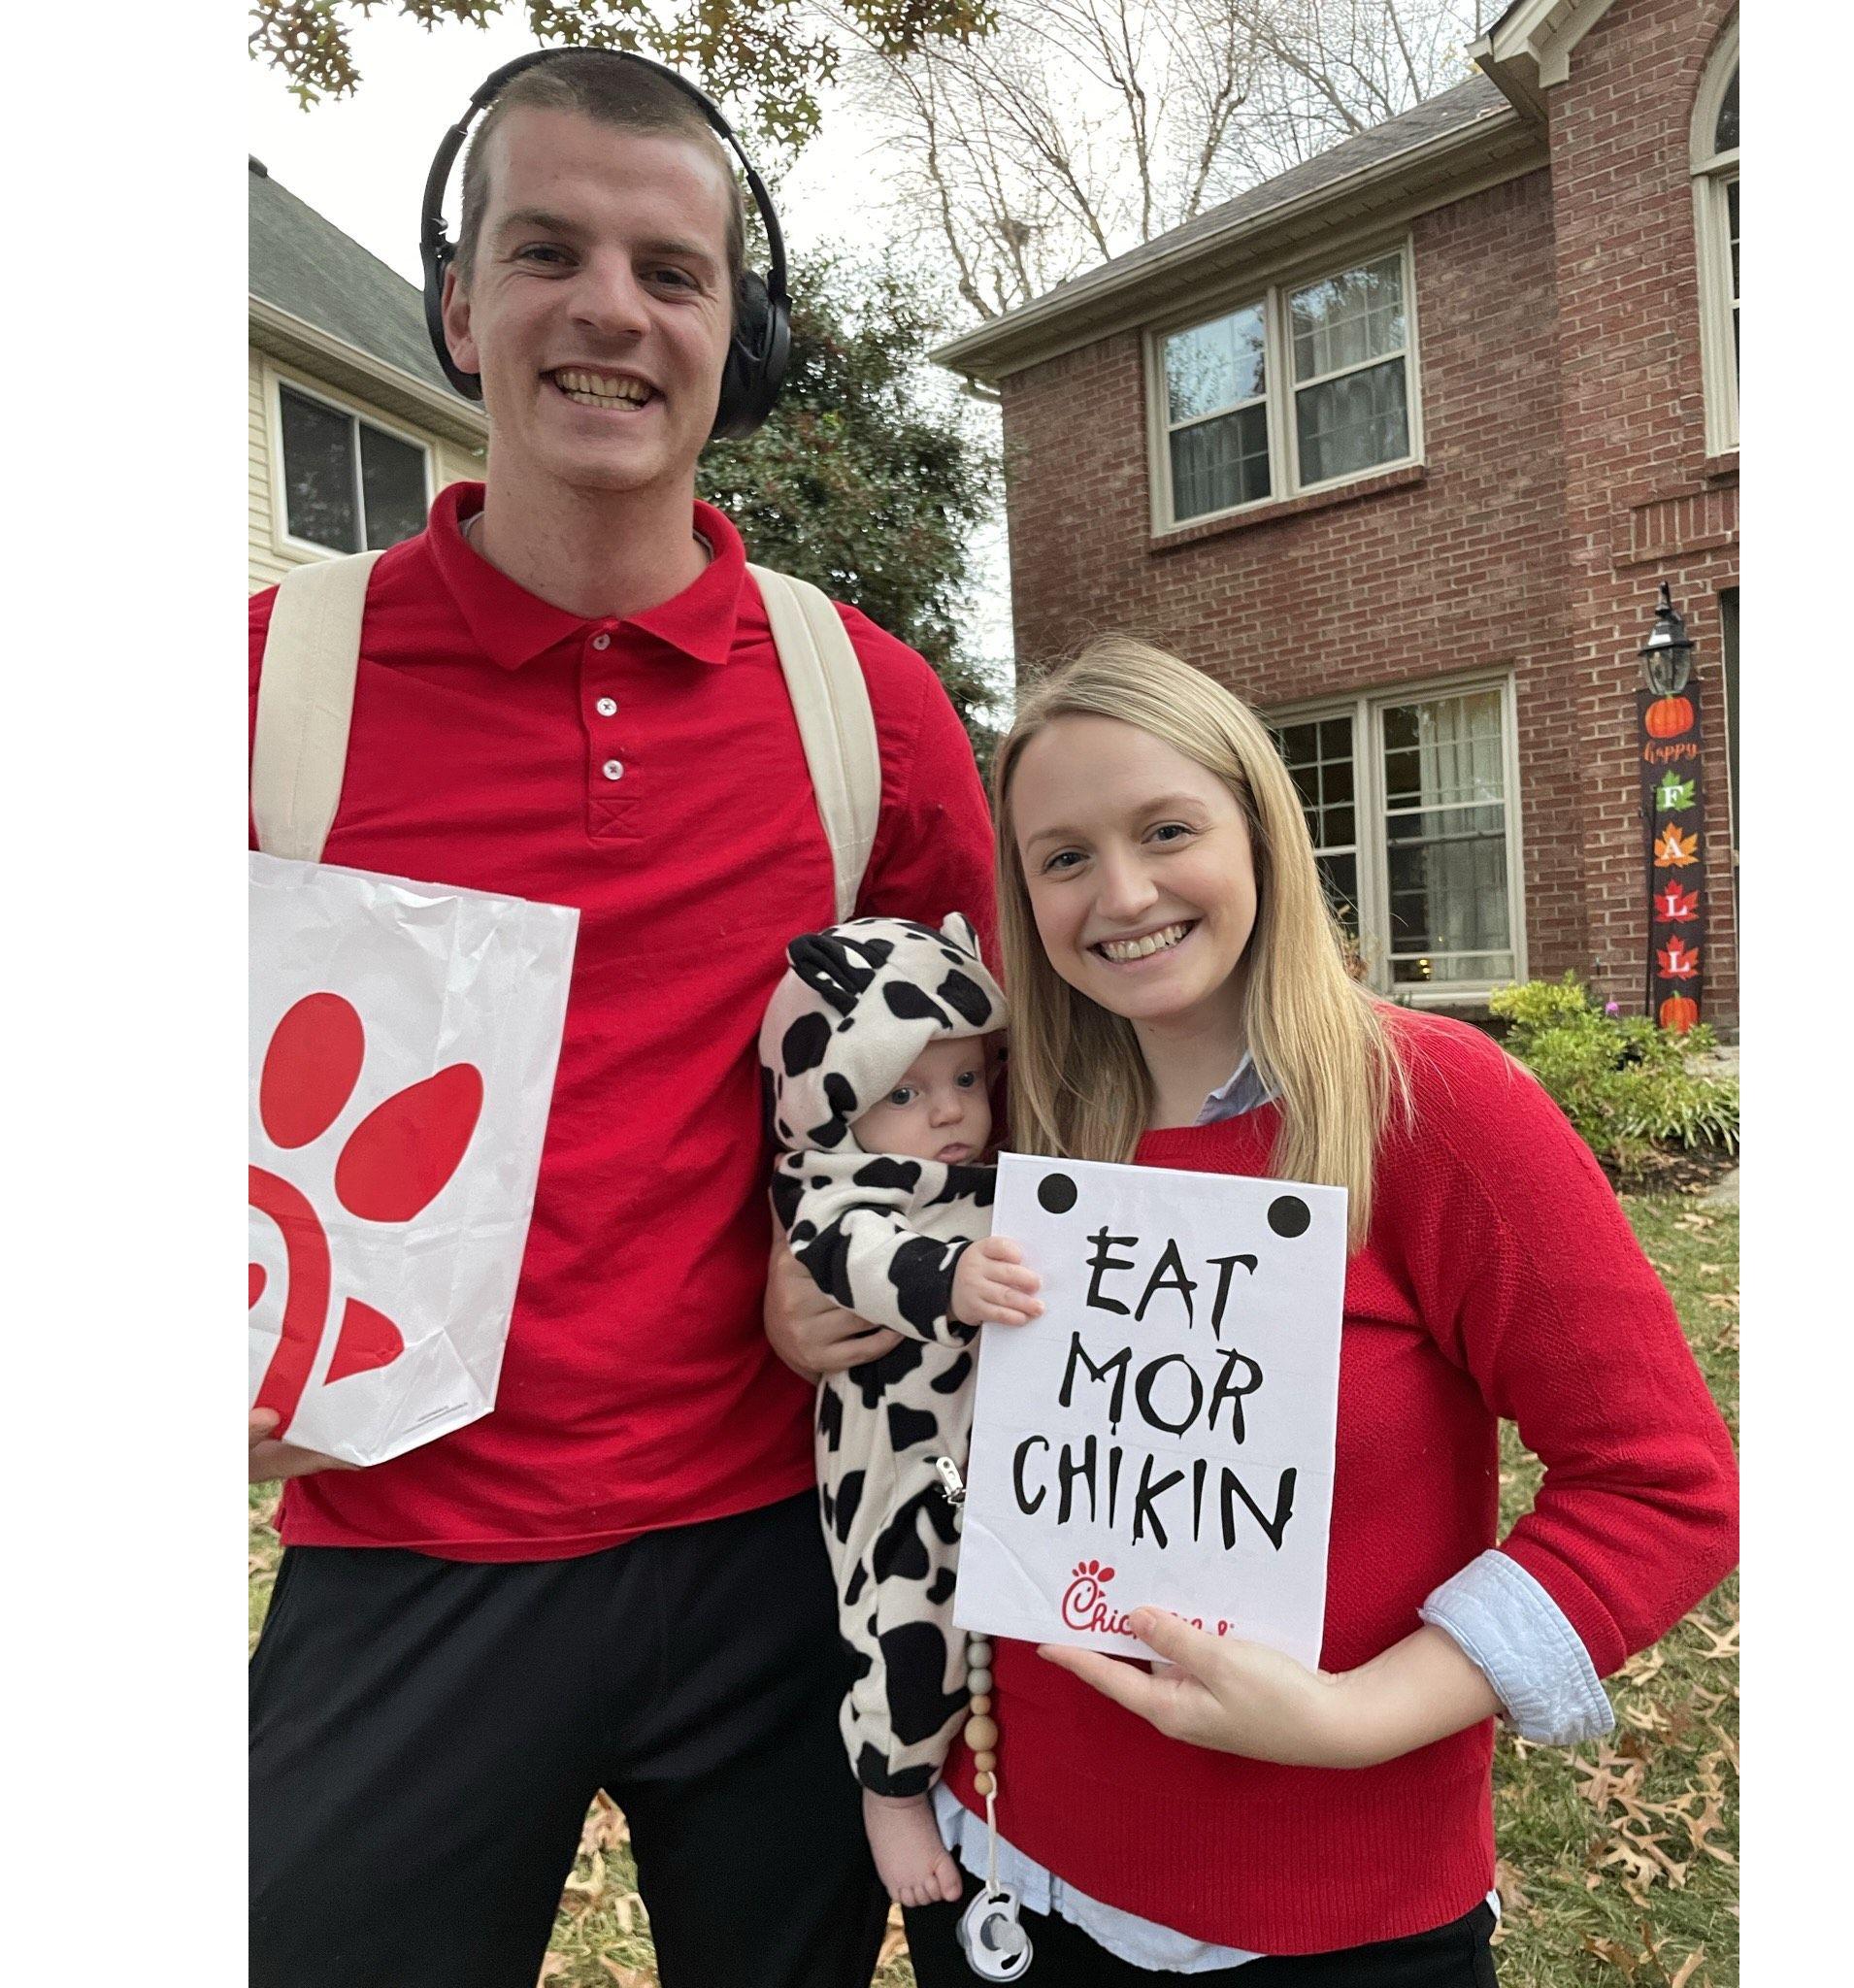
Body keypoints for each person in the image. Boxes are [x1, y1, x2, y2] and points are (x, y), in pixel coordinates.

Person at [248, 50, 994, 1988]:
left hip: (780, 1553)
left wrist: (886, 1247)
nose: (609, 308)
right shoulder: (265, 683)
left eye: (672, 271)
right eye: (546, 249)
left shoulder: (862, 702)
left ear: (732, 334)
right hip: (399, 1550)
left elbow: (1030, 1082)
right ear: (456, 298)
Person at [770, 637, 1740, 1985]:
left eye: (1168, 829)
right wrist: (801, 1303)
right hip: (1004, 1882)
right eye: (1062, 857)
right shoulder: (1017, 1133)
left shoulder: (1434, 1107)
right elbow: (841, 1228)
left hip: (1328, 1916)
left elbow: (1664, 1489)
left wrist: (1356, 1716)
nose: (1123, 892)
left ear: (1261, 833)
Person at [756, 911, 1042, 1908]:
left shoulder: (989, 1169)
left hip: (998, 1451)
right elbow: (856, 1258)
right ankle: (890, 1783)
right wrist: (950, 1274)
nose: (949, 1112)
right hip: (893, 1463)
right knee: (902, 1617)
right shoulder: (833, 1188)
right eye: (906, 1091)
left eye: (966, 1078)